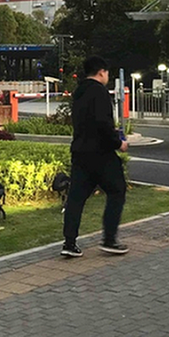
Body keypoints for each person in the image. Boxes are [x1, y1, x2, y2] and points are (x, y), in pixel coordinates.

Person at [61, 55, 129, 258]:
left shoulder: (79, 92)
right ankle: (109, 239)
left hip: (80, 151)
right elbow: (103, 124)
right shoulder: (100, 92)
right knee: (117, 190)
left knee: (76, 198)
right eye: (107, 73)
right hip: (101, 153)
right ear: (101, 72)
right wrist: (118, 143)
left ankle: (69, 243)